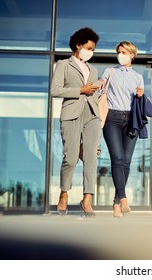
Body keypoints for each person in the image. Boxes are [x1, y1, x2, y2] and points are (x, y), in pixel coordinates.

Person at [51, 27, 101, 217]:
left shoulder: (93, 69)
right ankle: (64, 193)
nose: (91, 52)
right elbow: (55, 90)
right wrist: (80, 90)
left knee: (91, 158)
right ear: (78, 45)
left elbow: (92, 93)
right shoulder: (63, 64)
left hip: (92, 115)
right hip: (71, 113)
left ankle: (87, 199)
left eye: (93, 49)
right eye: (89, 48)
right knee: (71, 158)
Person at [99, 41, 151, 218]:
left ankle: (116, 202)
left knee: (127, 161)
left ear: (132, 55)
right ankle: (123, 198)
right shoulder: (110, 71)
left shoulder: (138, 77)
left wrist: (141, 94)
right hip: (112, 118)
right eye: (119, 52)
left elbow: (140, 99)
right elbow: (102, 84)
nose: (120, 54)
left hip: (131, 119)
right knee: (117, 158)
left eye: (124, 52)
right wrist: (98, 83)